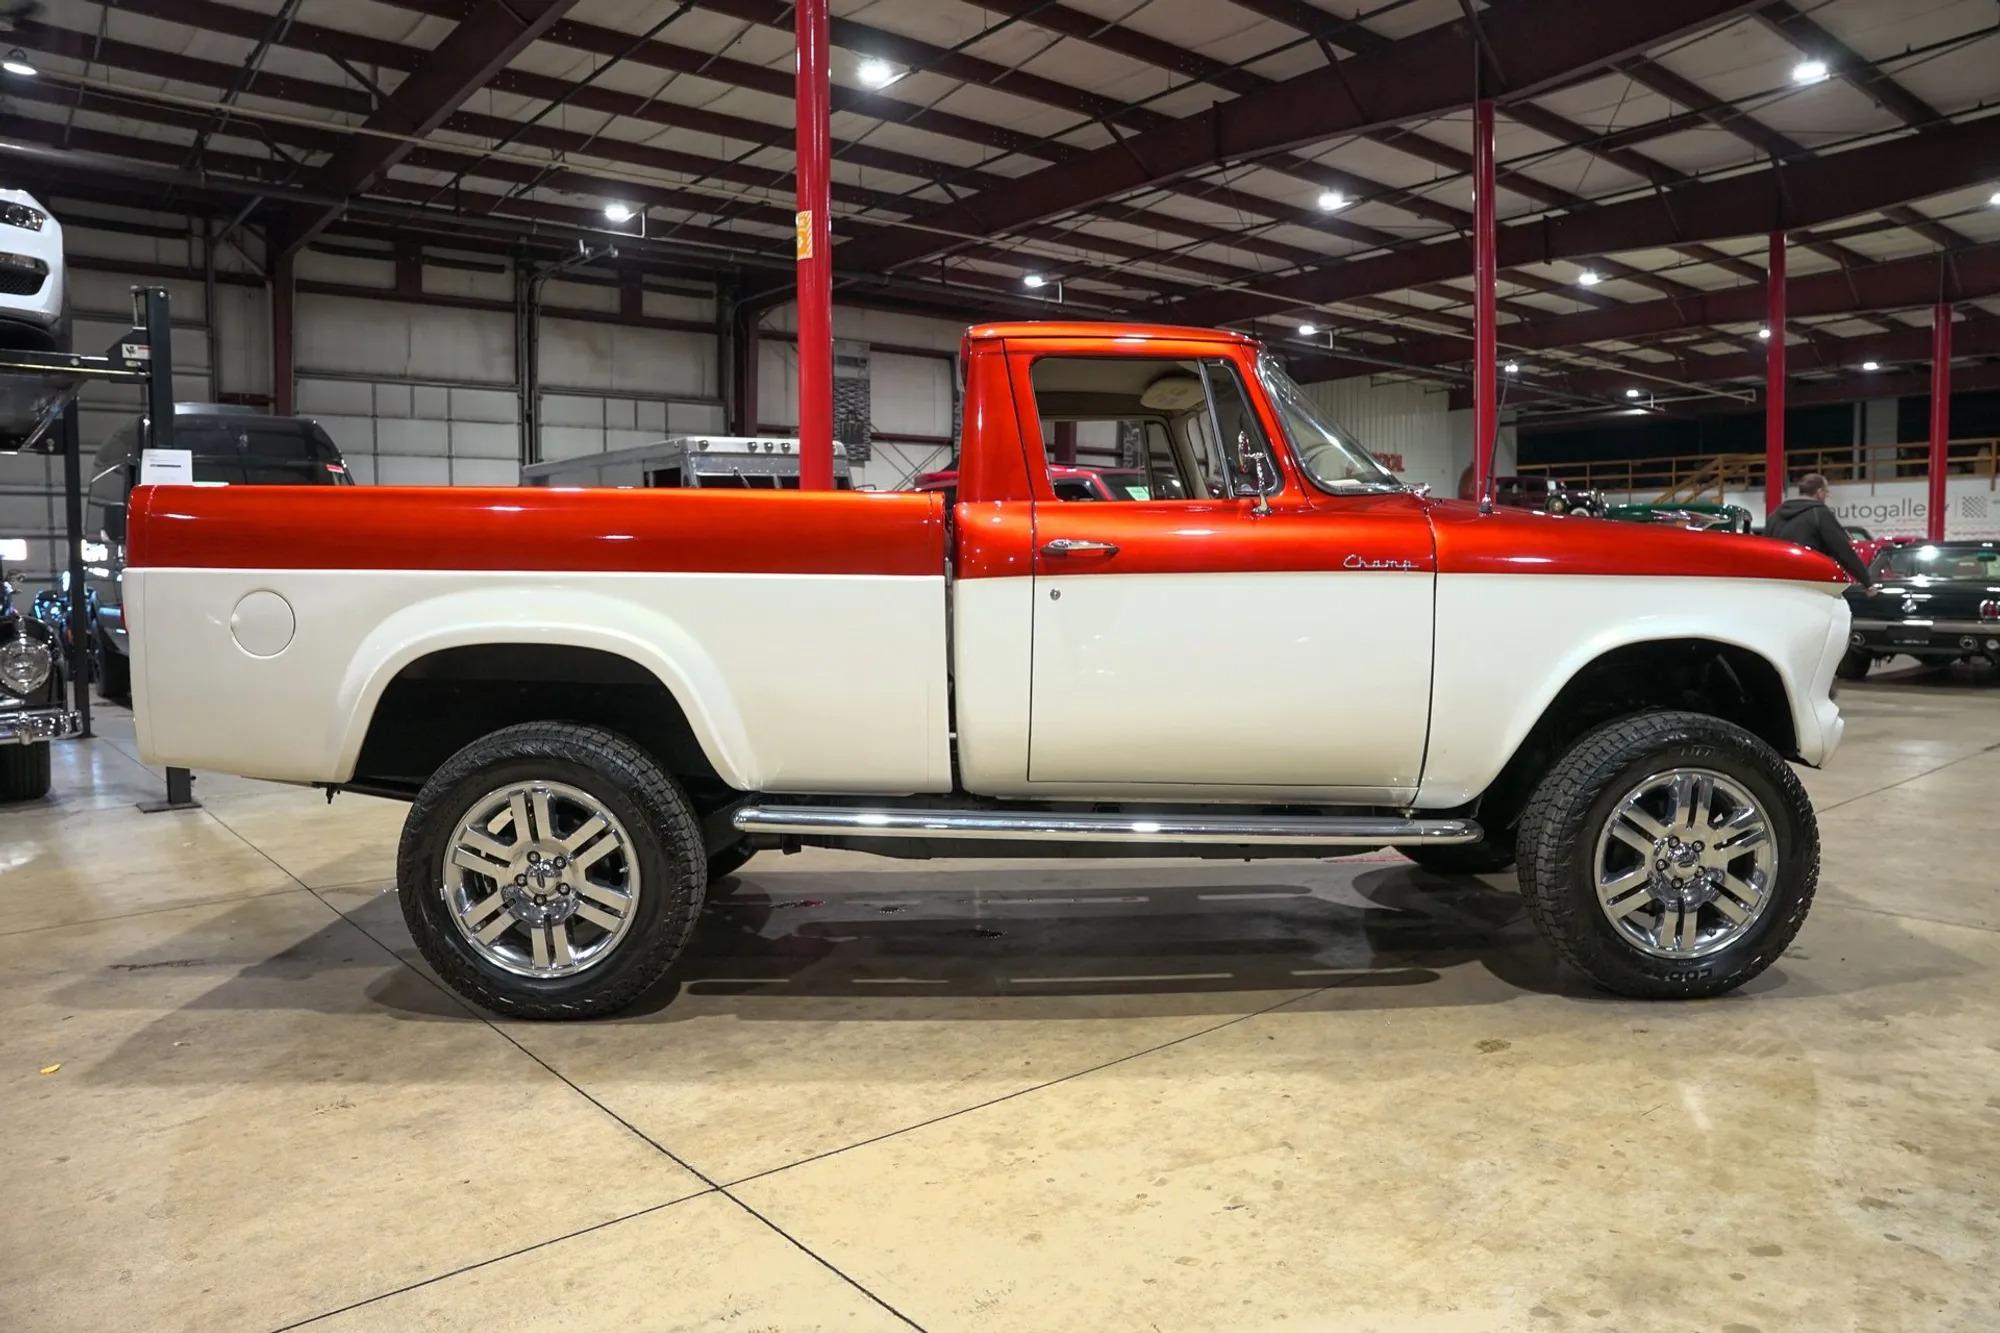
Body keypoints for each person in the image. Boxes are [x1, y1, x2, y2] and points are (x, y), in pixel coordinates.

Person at [1765, 473, 1871, 583]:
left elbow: (1766, 551)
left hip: (1778, 582)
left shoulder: (1774, 516)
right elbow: (1843, 551)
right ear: (1819, 493)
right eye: (1826, 492)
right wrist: (1866, 582)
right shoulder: (1820, 514)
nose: (1826, 496)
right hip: (1809, 582)